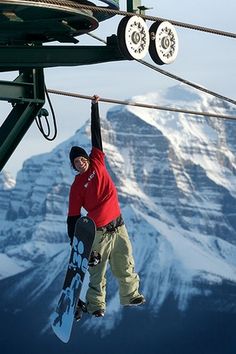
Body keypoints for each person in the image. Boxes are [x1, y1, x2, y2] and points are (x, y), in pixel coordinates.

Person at [67, 95, 145, 318]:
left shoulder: (98, 160)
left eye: (81, 159)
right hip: (98, 233)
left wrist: (94, 106)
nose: (80, 163)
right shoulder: (76, 186)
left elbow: (96, 134)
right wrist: (74, 240)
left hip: (119, 227)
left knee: (124, 262)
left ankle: (130, 295)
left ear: (87, 158)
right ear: (73, 167)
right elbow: (73, 216)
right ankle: (95, 306)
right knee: (97, 272)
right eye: (76, 163)